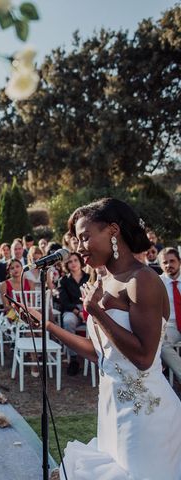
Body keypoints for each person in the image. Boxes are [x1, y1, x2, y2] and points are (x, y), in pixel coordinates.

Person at [31, 198, 181, 479]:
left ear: (113, 231)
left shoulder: (142, 280)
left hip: (145, 415)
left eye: (85, 237)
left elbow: (144, 358)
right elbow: (100, 353)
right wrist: (48, 326)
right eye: (76, 240)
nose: (78, 247)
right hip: (112, 405)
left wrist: (96, 312)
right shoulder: (103, 282)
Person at [57, 251, 90, 376]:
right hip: (72, 309)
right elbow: (64, 301)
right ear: (66, 265)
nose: (73, 263)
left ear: (80, 262)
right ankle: (74, 359)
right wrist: (78, 312)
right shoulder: (63, 281)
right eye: (70, 261)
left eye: (75, 260)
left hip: (89, 308)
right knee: (68, 321)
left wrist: (86, 312)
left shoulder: (89, 277)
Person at [159, 247, 181, 383]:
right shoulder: (156, 283)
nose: (168, 265)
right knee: (160, 344)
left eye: (172, 261)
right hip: (170, 325)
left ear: (179, 261)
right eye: (164, 262)